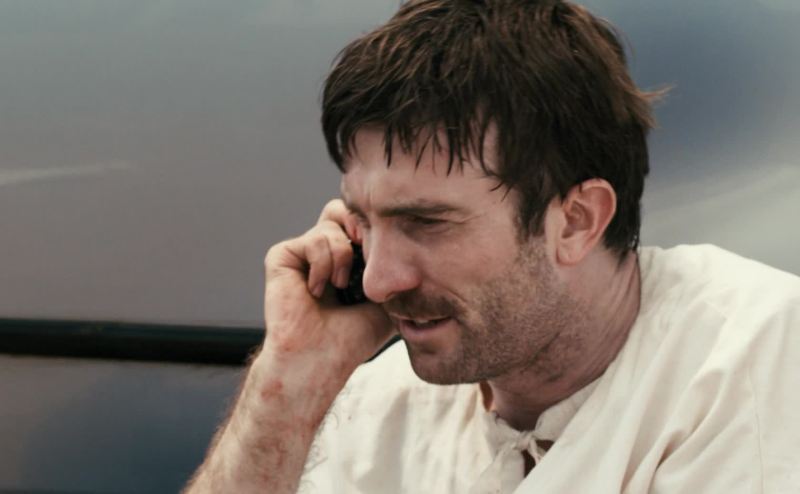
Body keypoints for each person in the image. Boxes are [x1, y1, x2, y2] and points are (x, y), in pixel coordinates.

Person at [184, 1, 800, 492]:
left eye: (426, 222)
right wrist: (289, 381)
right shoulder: (381, 399)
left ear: (576, 221)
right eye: (364, 221)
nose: (377, 281)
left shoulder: (752, 355)